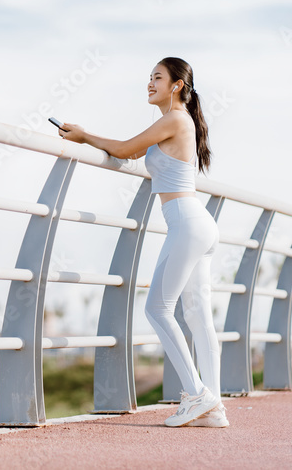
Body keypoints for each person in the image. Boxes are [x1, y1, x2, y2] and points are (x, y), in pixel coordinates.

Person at [56, 56, 228, 428]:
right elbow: (139, 152)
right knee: (198, 318)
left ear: (177, 85)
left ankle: (199, 395)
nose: (149, 84)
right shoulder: (180, 121)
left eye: (157, 78)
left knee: (157, 309)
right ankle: (214, 409)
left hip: (186, 222)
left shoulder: (174, 118)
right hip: (199, 224)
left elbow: (125, 149)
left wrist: (84, 135)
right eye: (149, 78)